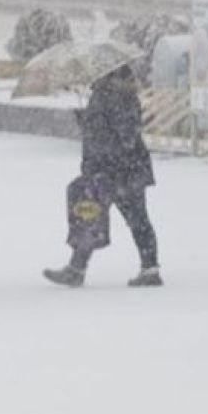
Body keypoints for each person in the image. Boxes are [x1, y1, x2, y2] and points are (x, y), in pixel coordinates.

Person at [44, 64, 163, 288]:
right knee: (90, 216)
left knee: (132, 218)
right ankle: (78, 268)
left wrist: (100, 138)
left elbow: (126, 136)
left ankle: (149, 269)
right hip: (114, 170)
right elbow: (107, 130)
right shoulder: (106, 95)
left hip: (120, 171)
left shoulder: (117, 96)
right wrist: (87, 120)